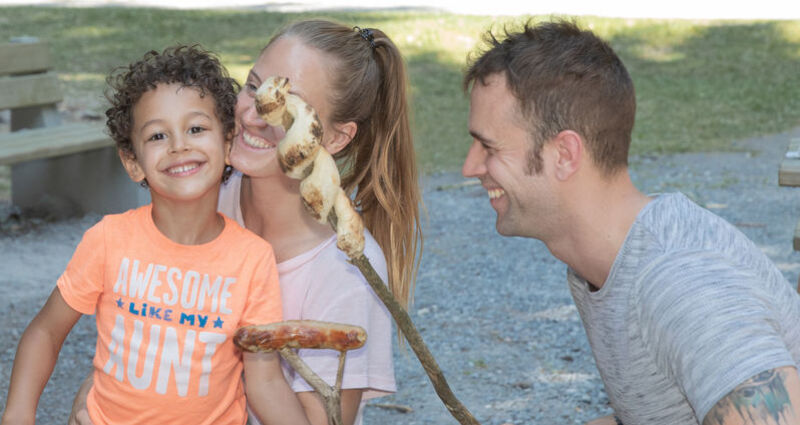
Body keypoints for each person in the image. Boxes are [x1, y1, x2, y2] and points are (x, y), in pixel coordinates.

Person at [69, 19, 423, 425]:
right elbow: (137, 336)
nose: (254, 115)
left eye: (287, 106)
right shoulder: (201, 193)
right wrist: (88, 402)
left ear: (335, 138)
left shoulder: (346, 271)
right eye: (254, 87)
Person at [462, 19, 800, 425]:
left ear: (565, 154)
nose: (470, 167)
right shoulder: (609, 264)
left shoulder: (680, 285)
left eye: (488, 147)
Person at [2, 45, 309, 425]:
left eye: (196, 129)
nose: (180, 145)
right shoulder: (109, 239)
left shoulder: (252, 258)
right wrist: (17, 413)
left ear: (228, 142)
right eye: (158, 135)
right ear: (133, 162)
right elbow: (46, 331)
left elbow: (265, 381)